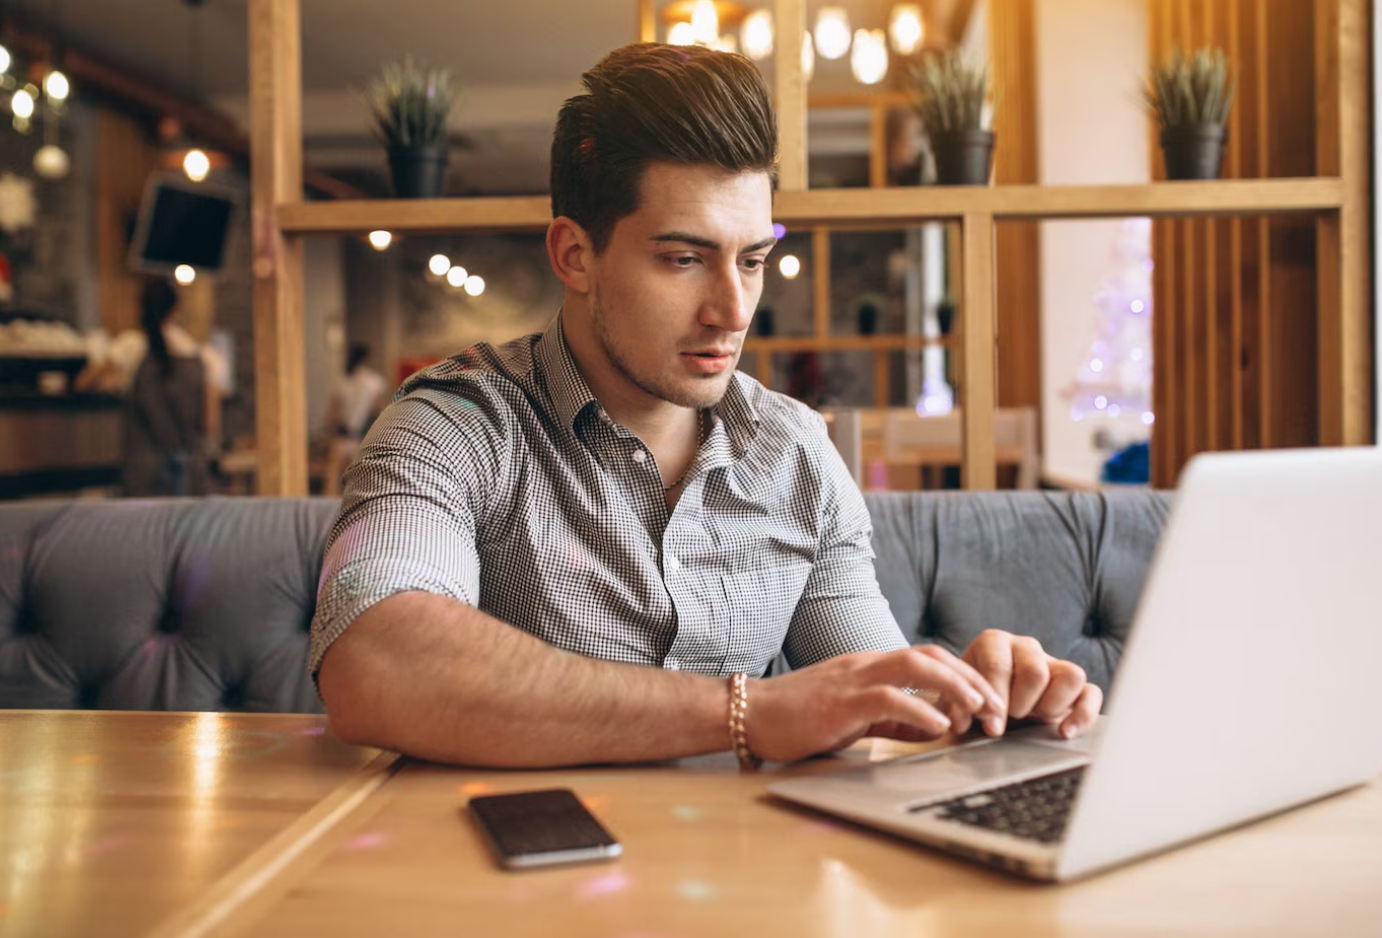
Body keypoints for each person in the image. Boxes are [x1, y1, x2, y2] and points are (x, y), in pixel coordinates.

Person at [312, 43, 1101, 769]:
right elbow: (371, 656)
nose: (733, 309)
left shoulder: (795, 452)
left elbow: (878, 700)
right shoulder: (456, 423)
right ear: (574, 255)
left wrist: (986, 706)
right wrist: (745, 712)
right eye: (684, 259)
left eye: (752, 260)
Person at [120, 277, 213, 496]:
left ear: (139, 308)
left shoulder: (129, 348)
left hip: (145, 476)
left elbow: (84, 382)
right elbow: (208, 418)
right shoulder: (194, 349)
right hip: (189, 473)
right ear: (176, 309)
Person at [329, 342, 388, 441]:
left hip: (342, 435)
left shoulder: (341, 380)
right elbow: (379, 410)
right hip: (364, 435)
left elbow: (333, 414)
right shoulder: (374, 381)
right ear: (366, 359)